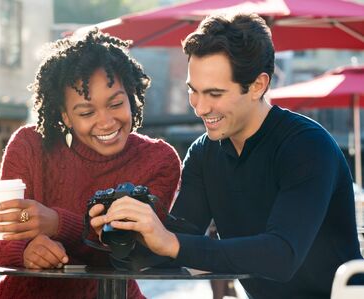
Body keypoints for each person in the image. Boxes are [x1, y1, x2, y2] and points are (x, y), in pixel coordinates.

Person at [90, 13, 363, 299]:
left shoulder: (307, 145)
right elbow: (175, 244)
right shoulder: (203, 154)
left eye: (215, 93)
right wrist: (121, 233)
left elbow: (281, 256)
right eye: (193, 91)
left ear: (258, 85)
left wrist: (170, 242)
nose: (200, 107)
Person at [0, 28, 181, 299]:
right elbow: (2, 237)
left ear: (132, 96)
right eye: (87, 112)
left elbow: (132, 252)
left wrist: (56, 224)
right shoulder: (30, 145)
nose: (106, 121)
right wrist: (26, 251)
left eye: (116, 104)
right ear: (65, 115)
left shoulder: (158, 161)